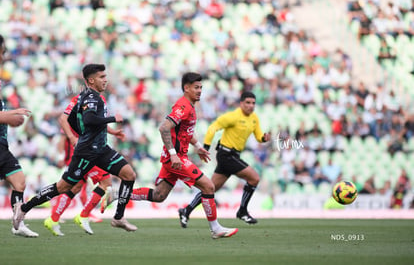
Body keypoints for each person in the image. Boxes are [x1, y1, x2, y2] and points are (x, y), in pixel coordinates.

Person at [103, 72, 238, 239]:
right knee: (208, 186)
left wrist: (197, 146)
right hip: (176, 159)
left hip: (174, 157)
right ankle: (216, 229)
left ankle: (117, 194)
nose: (200, 90)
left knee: (159, 195)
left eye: (201, 87)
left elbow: (184, 131)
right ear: (186, 88)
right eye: (196, 87)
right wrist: (174, 155)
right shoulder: (183, 106)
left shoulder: (190, 106)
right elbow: (164, 128)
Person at [13, 64, 138, 233]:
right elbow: (89, 120)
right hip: (87, 152)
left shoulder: (85, 97)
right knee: (63, 187)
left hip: (100, 149)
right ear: (91, 80)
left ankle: (118, 218)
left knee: (129, 174)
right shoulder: (92, 98)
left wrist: (107, 131)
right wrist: (112, 119)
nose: (105, 80)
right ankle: (24, 208)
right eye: (102, 77)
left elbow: (74, 120)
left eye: (105, 76)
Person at [178, 91, 271, 227]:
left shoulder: (254, 118)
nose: (251, 106)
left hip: (233, 155)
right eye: (248, 103)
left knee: (209, 188)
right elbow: (212, 128)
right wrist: (206, 147)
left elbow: (258, 136)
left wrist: (264, 138)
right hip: (226, 154)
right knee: (254, 178)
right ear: (241, 103)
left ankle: (186, 210)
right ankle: (242, 211)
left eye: (253, 103)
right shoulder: (232, 117)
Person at [44, 90, 126, 236]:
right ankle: (83, 215)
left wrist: (113, 132)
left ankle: (54, 218)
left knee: (76, 187)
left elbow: (97, 123)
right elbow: (64, 121)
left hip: (89, 149)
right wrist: (70, 140)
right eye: (101, 77)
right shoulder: (79, 100)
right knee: (105, 183)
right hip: (85, 152)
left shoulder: (97, 100)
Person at [0, 34, 38, 237]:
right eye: (2, 51)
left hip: (2, 145)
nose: (4, 55)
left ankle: (18, 225)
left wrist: (13, 114)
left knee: (19, 182)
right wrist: (10, 117)